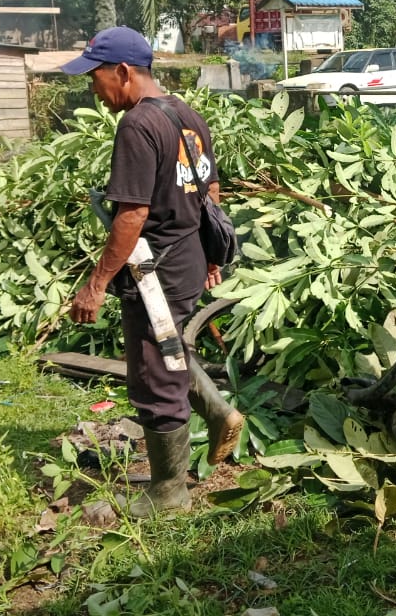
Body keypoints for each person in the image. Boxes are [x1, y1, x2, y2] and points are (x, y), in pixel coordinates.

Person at [61, 26, 243, 515]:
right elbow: (210, 191)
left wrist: (96, 284)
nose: (94, 90)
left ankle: (167, 494)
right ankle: (218, 411)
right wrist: (210, 254)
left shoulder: (138, 124)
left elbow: (132, 215)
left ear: (123, 72)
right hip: (185, 259)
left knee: (154, 374)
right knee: (171, 348)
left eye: (96, 78)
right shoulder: (186, 115)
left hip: (153, 270)